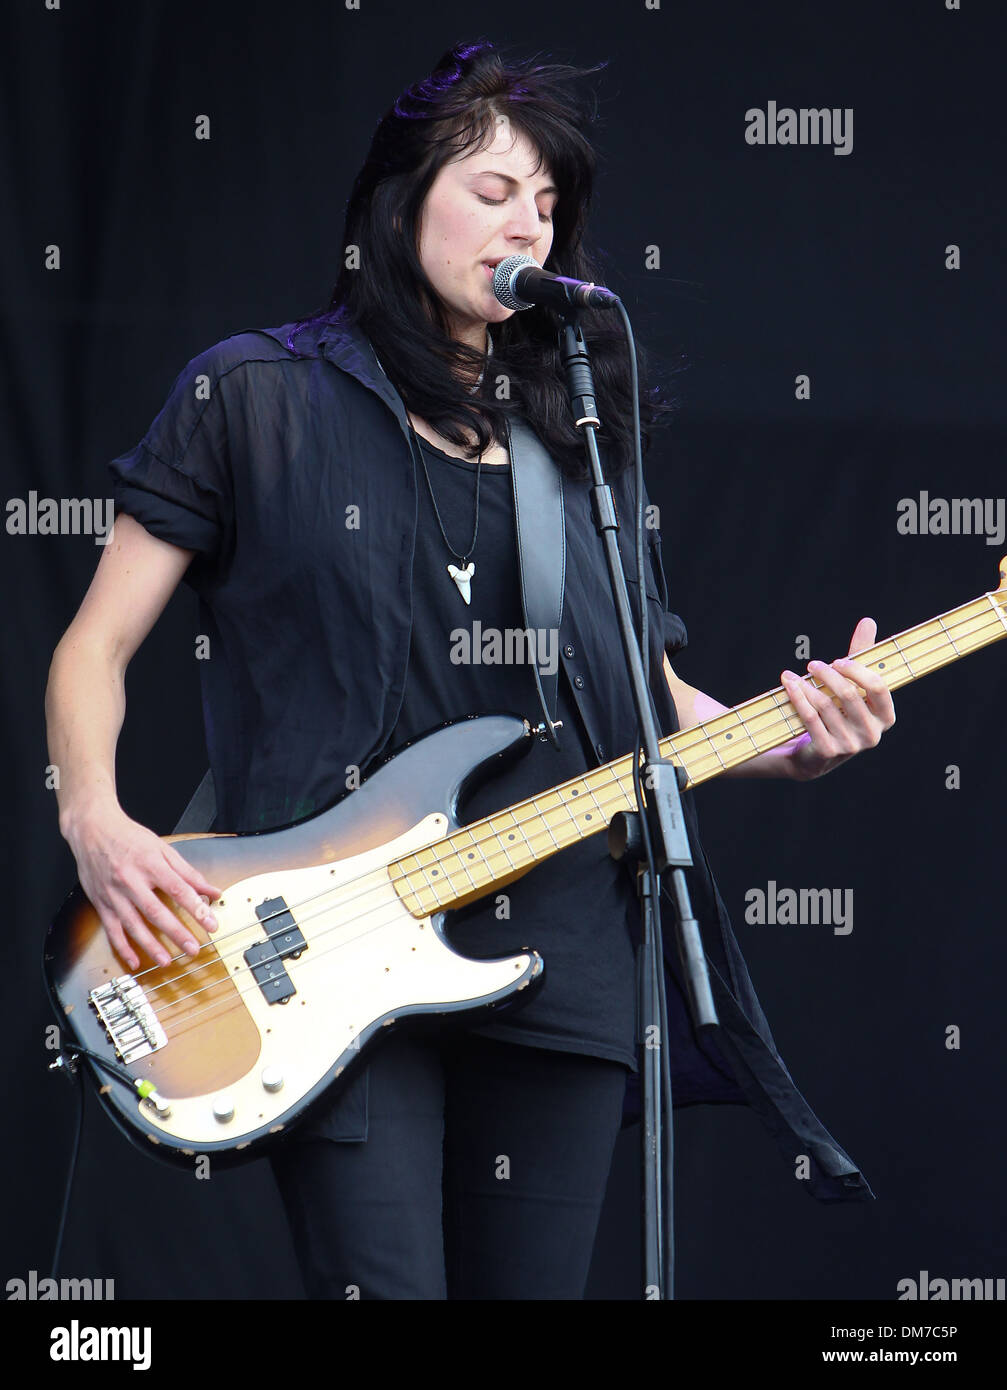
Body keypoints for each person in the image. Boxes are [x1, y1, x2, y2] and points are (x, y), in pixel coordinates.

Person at [44, 40, 895, 1300]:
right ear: (398, 203)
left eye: (547, 204)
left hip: (564, 954)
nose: (528, 223)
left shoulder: (575, 448)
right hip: (328, 942)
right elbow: (95, 644)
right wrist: (96, 819)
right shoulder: (254, 395)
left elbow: (645, 704)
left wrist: (790, 733)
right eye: (493, 189)